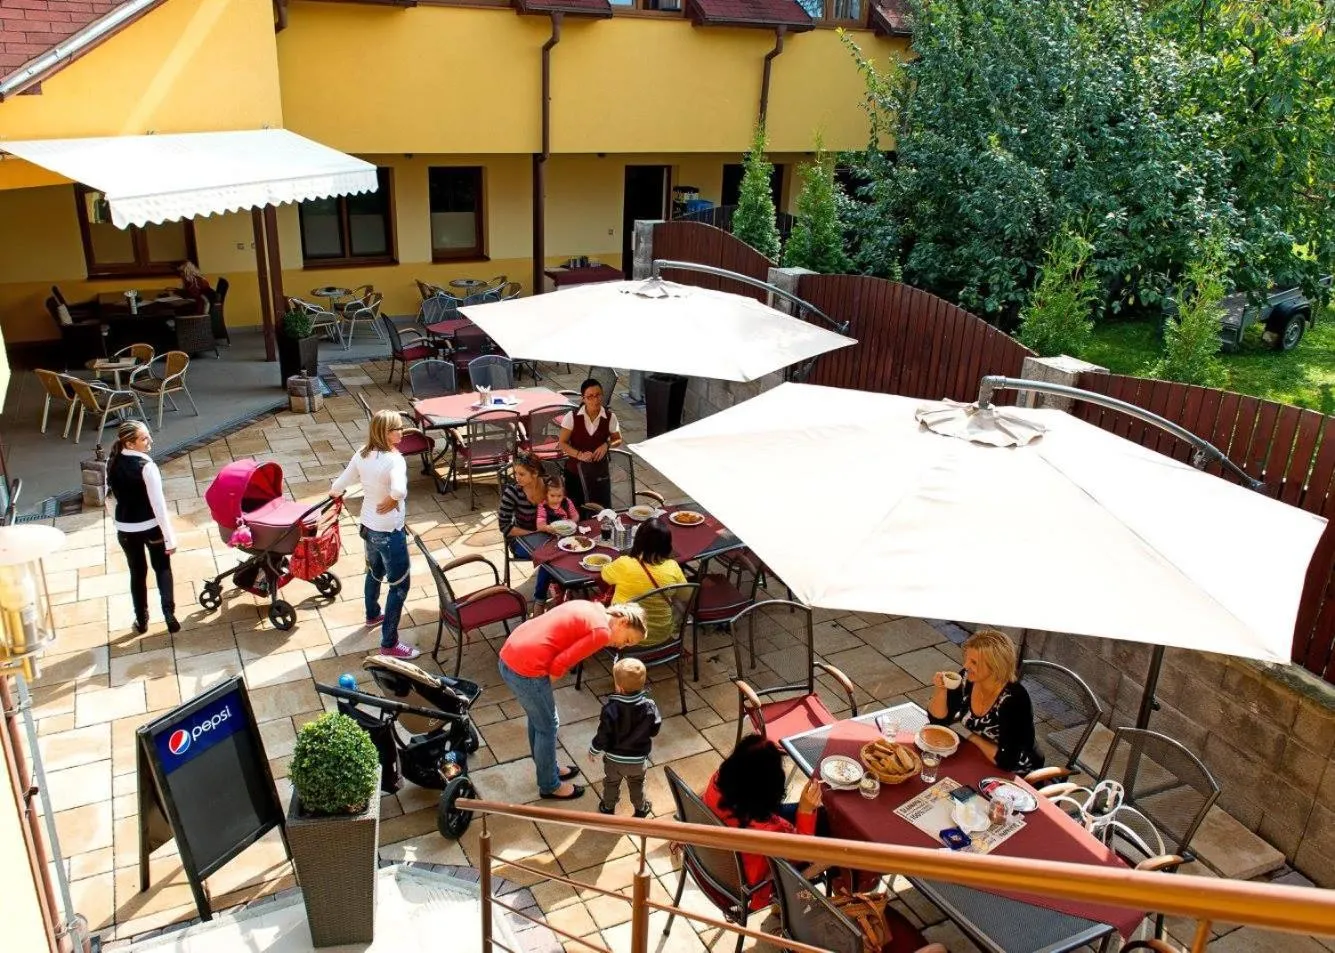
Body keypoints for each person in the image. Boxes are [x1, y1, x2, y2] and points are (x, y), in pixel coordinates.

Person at [498, 600, 647, 800]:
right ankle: (549, 785)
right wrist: (541, 684)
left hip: (510, 653)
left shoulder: (592, 607)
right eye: (627, 640)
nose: (621, 646)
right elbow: (562, 663)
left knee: (539, 720)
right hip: (526, 669)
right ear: (623, 622)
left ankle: (547, 768)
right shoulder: (601, 632)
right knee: (548, 726)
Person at [331, 409, 419, 660]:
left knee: (373, 572)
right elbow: (400, 491)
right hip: (390, 533)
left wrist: (333, 497)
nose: (402, 432)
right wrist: (392, 500)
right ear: (385, 432)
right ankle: (389, 643)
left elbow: (338, 486)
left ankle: (372, 615)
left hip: (368, 529)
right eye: (397, 428)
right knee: (400, 586)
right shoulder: (394, 459)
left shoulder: (362, 454)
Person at [701, 735, 824, 909]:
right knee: (833, 838)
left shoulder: (717, 783)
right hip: (756, 882)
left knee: (814, 812)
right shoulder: (771, 831)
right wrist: (805, 811)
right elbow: (804, 853)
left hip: (716, 865)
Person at [927, 628, 1043, 773]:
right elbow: (938, 721)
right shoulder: (966, 679)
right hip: (977, 755)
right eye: (967, 659)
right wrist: (941, 689)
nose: (965, 666)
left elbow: (1007, 760)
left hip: (1016, 769)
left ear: (995, 666)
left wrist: (971, 737)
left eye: (974, 662)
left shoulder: (1014, 700)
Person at [106, 420, 178, 634]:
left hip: (126, 530)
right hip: (151, 527)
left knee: (137, 573)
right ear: (129, 443)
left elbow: (110, 500)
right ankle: (169, 614)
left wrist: (117, 521)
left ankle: (142, 620)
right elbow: (159, 505)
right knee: (162, 568)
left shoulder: (113, 462)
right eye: (144, 438)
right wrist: (170, 537)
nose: (150, 441)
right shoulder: (147, 467)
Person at [588, 657, 660, 817]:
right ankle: (641, 808)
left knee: (611, 783)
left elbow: (603, 735)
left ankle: (608, 807)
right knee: (637, 783)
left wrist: (594, 749)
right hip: (637, 760)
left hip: (614, 760)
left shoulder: (610, 709)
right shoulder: (650, 707)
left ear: (619, 687)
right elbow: (654, 730)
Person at [599, 517, 687, 647]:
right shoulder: (672, 566)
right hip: (662, 634)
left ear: (638, 540)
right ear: (667, 544)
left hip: (625, 637)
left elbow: (605, 575)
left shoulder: (624, 563)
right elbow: (685, 595)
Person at [499, 453, 556, 608]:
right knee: (548, 555)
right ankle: (540, 601)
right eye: (515, 473)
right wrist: (533, 534)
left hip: (549, 534)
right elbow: (504, 527)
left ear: (535, 473)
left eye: (521, 474)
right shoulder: (512, 493)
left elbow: (565, 507)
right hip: (521, 540)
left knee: (565, 549)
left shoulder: (551, 486)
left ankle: (562, 588)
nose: (517, 478)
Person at [557, 377, 622, 512]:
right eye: (590, 396)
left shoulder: (610, 417)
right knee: (576, 512)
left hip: (599, 473)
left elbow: (618, 439)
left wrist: (606, 445)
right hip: (575, 473)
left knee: (603, 512)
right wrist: (578, 455)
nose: (595, 399)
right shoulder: (572, 417)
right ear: (583, 399)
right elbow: (562, 443)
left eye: (598, 395)